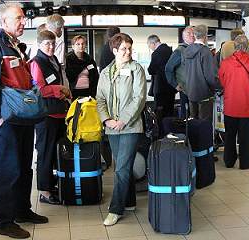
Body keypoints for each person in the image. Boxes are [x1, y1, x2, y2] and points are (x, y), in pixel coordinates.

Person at [0, 4, 48, 239]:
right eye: (18, 18)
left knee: (25, 166)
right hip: (8, 118)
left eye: (23, 17)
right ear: (4, 22)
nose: (23, 21)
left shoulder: (17, 46)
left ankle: (22, 210)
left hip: (24, 117)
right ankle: (5, 222)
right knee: (9, 168)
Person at [96, 33, 146, 226]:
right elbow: (100, 98)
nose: (128, 52)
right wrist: (106, 119)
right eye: (124, 49)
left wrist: (123, 120)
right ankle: (130, 201)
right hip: (111, 127)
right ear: (114, 50)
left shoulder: (137, 69)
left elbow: (139, 98)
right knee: (123, 166)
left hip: (130, 126)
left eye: (130, 48)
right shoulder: (106, 72)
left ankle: (115, 209)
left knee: (122, 168)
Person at [31, 30, 72, 205]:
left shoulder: (53, 59)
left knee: (57, 153)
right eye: (47, 43)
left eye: (53, 43)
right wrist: (58, 90)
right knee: (45, 153)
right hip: (46, 115)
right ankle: (45, 191)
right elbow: (38, 89)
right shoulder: (36, 62)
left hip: (60, 113)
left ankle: (53, 183)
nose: (51, 47)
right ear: (40, 44)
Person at [218, 35, 249, 169]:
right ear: (247, 47)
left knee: (230, 135)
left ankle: (229, 161)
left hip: (230, 105)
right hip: (247, 105)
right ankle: (245, 162)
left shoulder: (226, 63)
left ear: (235, 46)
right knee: (244, 137)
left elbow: (221, 81)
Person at [184, 24, 219, 122]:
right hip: (204, 95)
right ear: (205, 36)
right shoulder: (205, 52)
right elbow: (210, 76)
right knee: (204, 126)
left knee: (193, 123)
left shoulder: (187, 50)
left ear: (194, 35)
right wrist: (219, 86)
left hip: (191, 93)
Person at [165, 26, 195, 119]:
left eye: (193, 33)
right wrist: (175, 85)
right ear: (183, 37)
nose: (192, 35)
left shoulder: (195, 49)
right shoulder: (179, 51)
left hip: (196, 89)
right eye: (188, 33)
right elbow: (168, 68)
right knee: (186, 114)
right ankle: (185, 132)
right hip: (185, 90)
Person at [147, 35, 175, 118]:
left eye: (149, 45)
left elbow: (151, 70)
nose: (150, 47)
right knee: (170, 111)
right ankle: (170, 129)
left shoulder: (156, 53)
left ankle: (162, 130)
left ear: (153, 43)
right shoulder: (170, 50)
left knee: (160, 113)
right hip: (171, 86)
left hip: (160, 88)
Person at [66, 35, 99, 100]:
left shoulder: (89, 59)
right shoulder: (68, 59)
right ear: (73, 46)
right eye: (78, 44)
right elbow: (68, 76)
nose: (81, 46)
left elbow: (95, 76)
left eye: (83, 44)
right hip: (74, 92)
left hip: (88, 92)